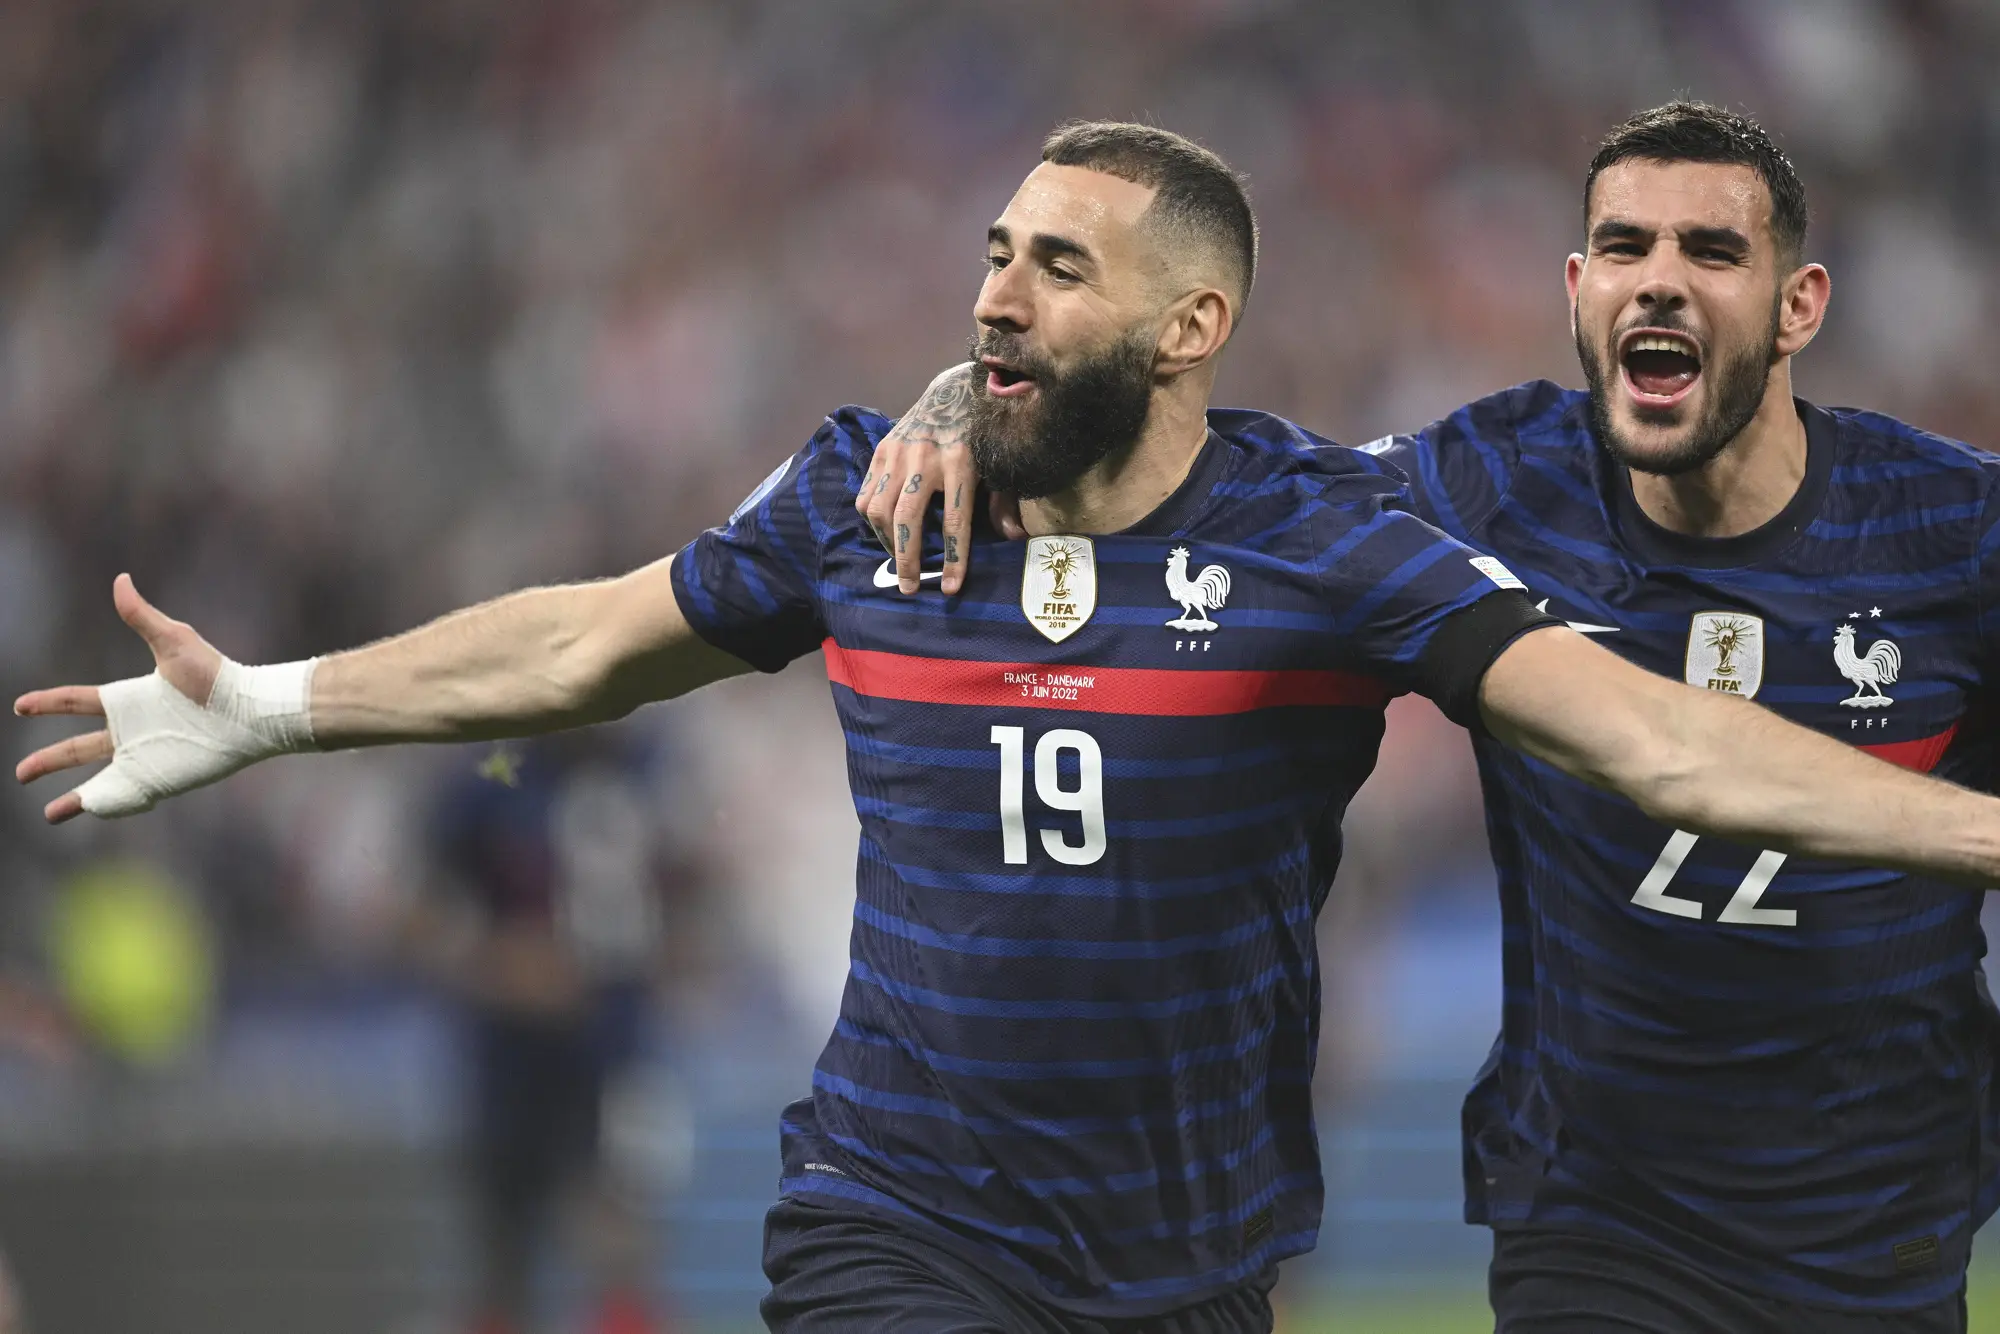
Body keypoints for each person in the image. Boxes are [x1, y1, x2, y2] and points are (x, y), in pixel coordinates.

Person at [14, 120, 2000, 1334]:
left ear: (1191, 324)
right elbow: (581, 644)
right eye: (993, 257)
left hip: (1192, 1261)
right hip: (898, 1212)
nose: (995, 301)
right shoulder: (867, 498)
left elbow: (1659, 740)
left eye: (1059, 268)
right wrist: (268, 703)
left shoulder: (1325, 543)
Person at [863, 106, 2000, 1333]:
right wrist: (964, 398)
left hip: (1883, 1217)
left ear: (1796, 306)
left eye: (1711, 252)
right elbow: (1203, 484)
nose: (1658, 281)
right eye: (1623, 247)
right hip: (1599, 1220)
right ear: (1576, 288)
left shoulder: (1953, 531)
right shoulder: (1485, 482)